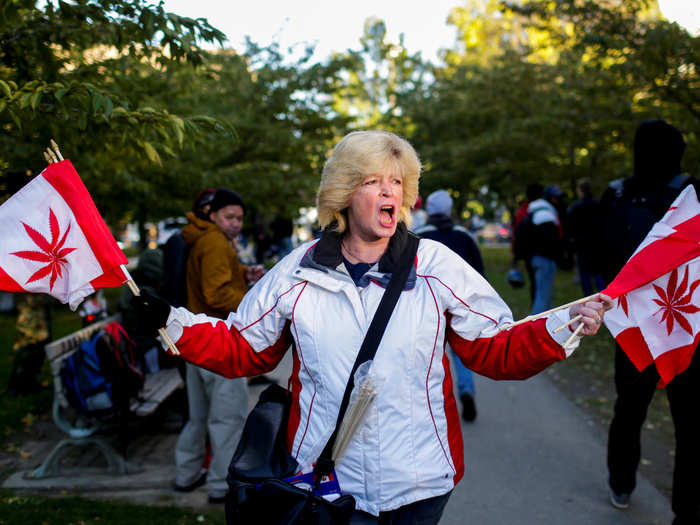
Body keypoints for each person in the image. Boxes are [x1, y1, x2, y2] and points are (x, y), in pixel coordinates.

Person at [132, 130, 611, 523]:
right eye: (372, 181)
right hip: (327, 480)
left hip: (421, 481)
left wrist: (559, 325)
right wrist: (172, 321)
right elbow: (242, 348)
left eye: (397, 182)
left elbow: (495, 347)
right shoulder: (296, 272)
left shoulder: (436, 265)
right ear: (343, 194)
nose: (389, 192)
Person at [600, 119, 700, 524]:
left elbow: (602, 249)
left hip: (649, 323)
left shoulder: (619, 193)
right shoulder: (691, 192)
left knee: (632, 408)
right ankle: (684, 509)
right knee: (686, 420)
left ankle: (623, 482)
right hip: (679, 323)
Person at [173, 188, 264, 504]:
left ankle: (186, 474)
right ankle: (221, 486)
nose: (236, 223)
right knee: (227, 418)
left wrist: (242, 273)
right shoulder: (214, 242)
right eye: (230, 216)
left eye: (240, 218)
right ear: (212, 215)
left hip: (194, 340)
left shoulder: (205, 238)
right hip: (218, 342)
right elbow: (215, 294)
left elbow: (213, 279)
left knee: (198, 416)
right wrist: (257, 306)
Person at [414, 189, 484, 422]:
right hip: (460, 305)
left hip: (425, 307)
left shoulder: (418, 236)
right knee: (461, 352)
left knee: (428, 356)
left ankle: (430, 405)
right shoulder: (465, 236)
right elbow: (479, 272)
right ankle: (466, 391)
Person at [513, 183, 562, 314]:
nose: (558, 201)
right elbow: (551, 240)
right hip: (544, 258)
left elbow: (519, 235)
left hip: (534, 258)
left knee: (542, 294)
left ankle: (546, 323)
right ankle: (535, 323)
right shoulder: (545, 215)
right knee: (542, 296)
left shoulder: (532, 213)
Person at [161, 189, 216, 308]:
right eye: (211, 207)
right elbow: (173, 287)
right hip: (189, 315)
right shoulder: (180, 241)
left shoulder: (218, 239)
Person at [567, 179, 604, 296]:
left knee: (585, 275)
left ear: (580, 190)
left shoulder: (576, 207)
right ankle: (603, 296)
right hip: (597, 244)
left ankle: (588, 299)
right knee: (598, 273)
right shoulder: (598, 205)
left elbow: (570, 226)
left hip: (582, 245)